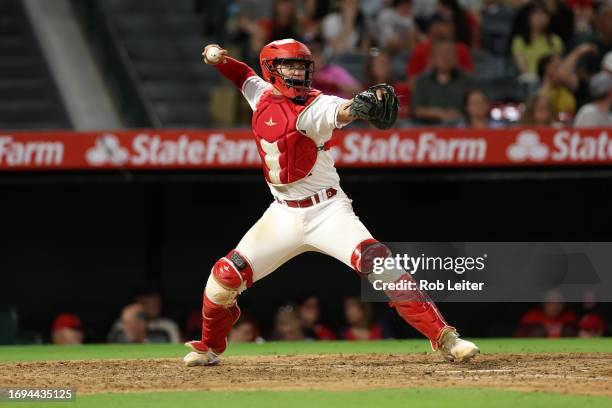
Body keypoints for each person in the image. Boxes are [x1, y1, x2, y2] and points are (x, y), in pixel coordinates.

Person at [183, 38, 479, 367]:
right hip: (282, 214)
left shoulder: (316, 106)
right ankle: (209, 347)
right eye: (290, 66)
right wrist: (221, 60)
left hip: (327, 211)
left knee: (382, 266)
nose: (298, 72)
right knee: (223, 279)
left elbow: (341, 111)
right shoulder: (261, 94)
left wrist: (358, 107)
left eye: (302, 66)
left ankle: (447, 339)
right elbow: (243, 77)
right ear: (272, 71)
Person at [412, 38, 474, 125]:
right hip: (428, 128)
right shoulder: (422, 81)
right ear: (432, 57)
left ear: (456, 56)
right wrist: (438, 113)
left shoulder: (467, 80)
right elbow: (416, 110)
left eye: (448, 52)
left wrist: (459, 113)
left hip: (462, 129)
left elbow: (476, 106)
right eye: (440, 53)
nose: (445, 56)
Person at [407, 12, 474, 84]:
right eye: (436, 26)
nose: (440, 29)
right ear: (430, 29)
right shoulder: (419, 50)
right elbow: (411, 82)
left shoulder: (462, 49)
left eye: (447, 25)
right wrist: (429, 70)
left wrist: (455, 67)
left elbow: (471, 81)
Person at [511, 2, 564, 81]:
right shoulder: (519, 41)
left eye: (544, 15)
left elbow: (556, 64)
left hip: (550, 79)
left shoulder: (555, 40)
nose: (541, 18)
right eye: (537, 15)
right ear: (529, 18)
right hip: (529, 78)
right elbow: (522, 67)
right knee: (527, 78)